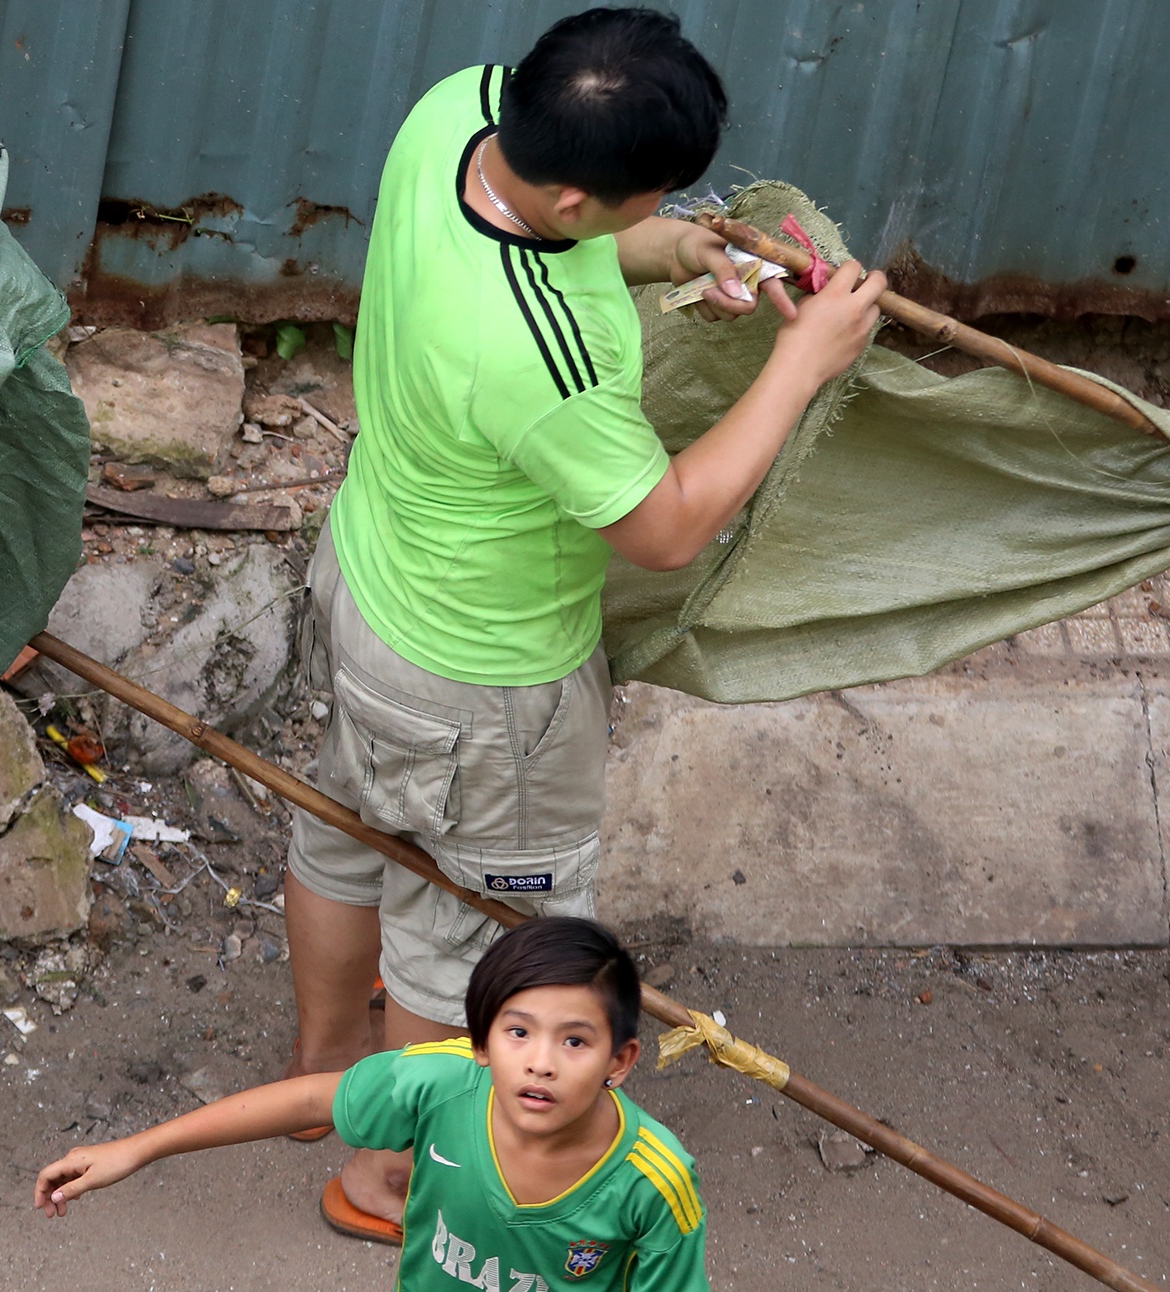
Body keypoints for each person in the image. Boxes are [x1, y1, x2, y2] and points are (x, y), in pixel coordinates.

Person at [281, 6, 885, 1236]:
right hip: (484, 681)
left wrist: (669, 252)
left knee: (349, 839)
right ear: (570, 199)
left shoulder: (460, 106)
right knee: (470, 942)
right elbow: (663, 527)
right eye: (646, 198)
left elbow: (563, 244)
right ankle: (385, 1175)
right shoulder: (537, 359)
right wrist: (800, 363)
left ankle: (319, 1080)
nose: (663, 208)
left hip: (373, 581)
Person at [38, 917, 709, 1289]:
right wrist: (139, 1147)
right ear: (480, 1043)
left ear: (620, 1061)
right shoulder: (440, 1083)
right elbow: (308, 1095)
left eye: (575, 1041)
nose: (540, 1060)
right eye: (518, 1032)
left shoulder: (655, 1181)